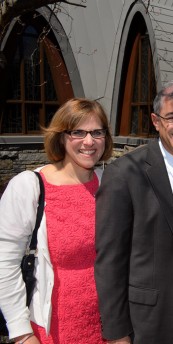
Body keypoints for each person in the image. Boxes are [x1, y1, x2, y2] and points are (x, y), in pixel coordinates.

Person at [95, 81, 173, 344]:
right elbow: (110, 262)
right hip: (147, 319)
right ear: (156, 121)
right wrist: (117, 334)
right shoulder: (125, 174)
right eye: (172, 117)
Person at [0, 98, 113, 344]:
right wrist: (21, 332)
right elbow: (4, 262)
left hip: (106, 327)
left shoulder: (110, 183)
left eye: (97, 132)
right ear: (61, 137)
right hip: (50, 329)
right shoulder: (29, 187)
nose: (89, 141)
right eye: (78, 132)